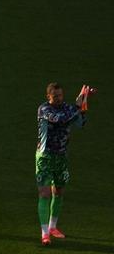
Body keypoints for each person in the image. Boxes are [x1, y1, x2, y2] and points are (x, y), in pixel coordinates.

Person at [36, 83, 94, 245]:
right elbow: (60, 120)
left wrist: (83, 104)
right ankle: (45, 233)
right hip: (45, 157)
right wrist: (77, 105)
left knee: (59, 191)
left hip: (61, 156)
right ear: (48, 97)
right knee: (44, 194)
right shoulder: (44, 109)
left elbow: (81, 124)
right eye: (55, 96)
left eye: (60, 95)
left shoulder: (68, 108)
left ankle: (53, 227)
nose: (59, 98)